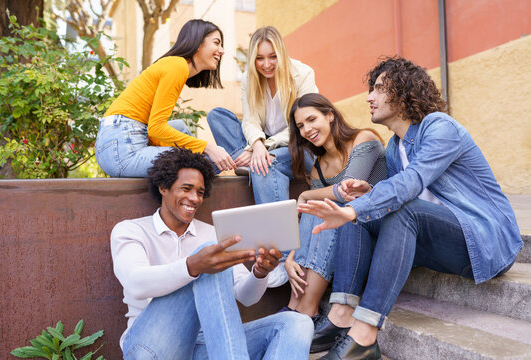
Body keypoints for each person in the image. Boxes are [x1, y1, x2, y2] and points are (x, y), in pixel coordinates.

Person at [298, 56, 522, 360]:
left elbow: (413, 183)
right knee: (362, 208)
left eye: (378, 89)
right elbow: (401, 192)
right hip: (439, 240)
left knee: (383, 210)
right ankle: (340, 315)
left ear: (403, 91)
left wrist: (358, 208)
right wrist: (370, 193)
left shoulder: (439, 127)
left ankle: (364, 338)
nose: (369, 98)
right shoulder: (394, 146)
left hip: (485, 240)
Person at [111, 148, 314, 359]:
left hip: (206, 346)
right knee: (207, 259)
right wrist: (193, 266)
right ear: (163, 187)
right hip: (151, 347)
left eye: (199, 192)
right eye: (186, 189)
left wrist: (259, 273)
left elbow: (246, 297)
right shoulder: (130, 230)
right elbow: (135, 282)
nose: (194, 198)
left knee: (297, 323)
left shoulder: (211, 233)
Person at [282, 93, 386, 352]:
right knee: (315, 208)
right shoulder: (319, 166)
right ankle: (295, 307)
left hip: (377, 229)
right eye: (301, 126)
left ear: (330, 115)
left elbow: (348, 190)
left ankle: (307, 308)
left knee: (330, 206)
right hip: (346, 236)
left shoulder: (365, 139)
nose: (307, 130)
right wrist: (290, 256)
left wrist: (305, 194)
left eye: (311, 119)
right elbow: (311, 210)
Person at [95, 19, 235, 177]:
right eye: (216, 43)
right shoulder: (177, 66)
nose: (222, 51)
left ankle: (230, 161)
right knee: (201, 162)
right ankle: (238, 160)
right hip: (122, 151)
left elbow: (154, 132)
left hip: (118, 141)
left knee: (181, 129)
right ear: (197, 43)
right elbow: (156, 128)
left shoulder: (175, 65)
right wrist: (208, 147)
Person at [207, 26, 318, 204]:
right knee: (216, 116)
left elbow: (303, 126)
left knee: (265, 165)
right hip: (262, 141)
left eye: (273, 57)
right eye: (259, 58)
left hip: (297, 145)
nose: (266, 65)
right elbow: (250, 120)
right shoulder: (248, 78)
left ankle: (246, 162)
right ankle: (247, 161)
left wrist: (262, 148)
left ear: (281, 53)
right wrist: (256, 145)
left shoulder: (303, 74)